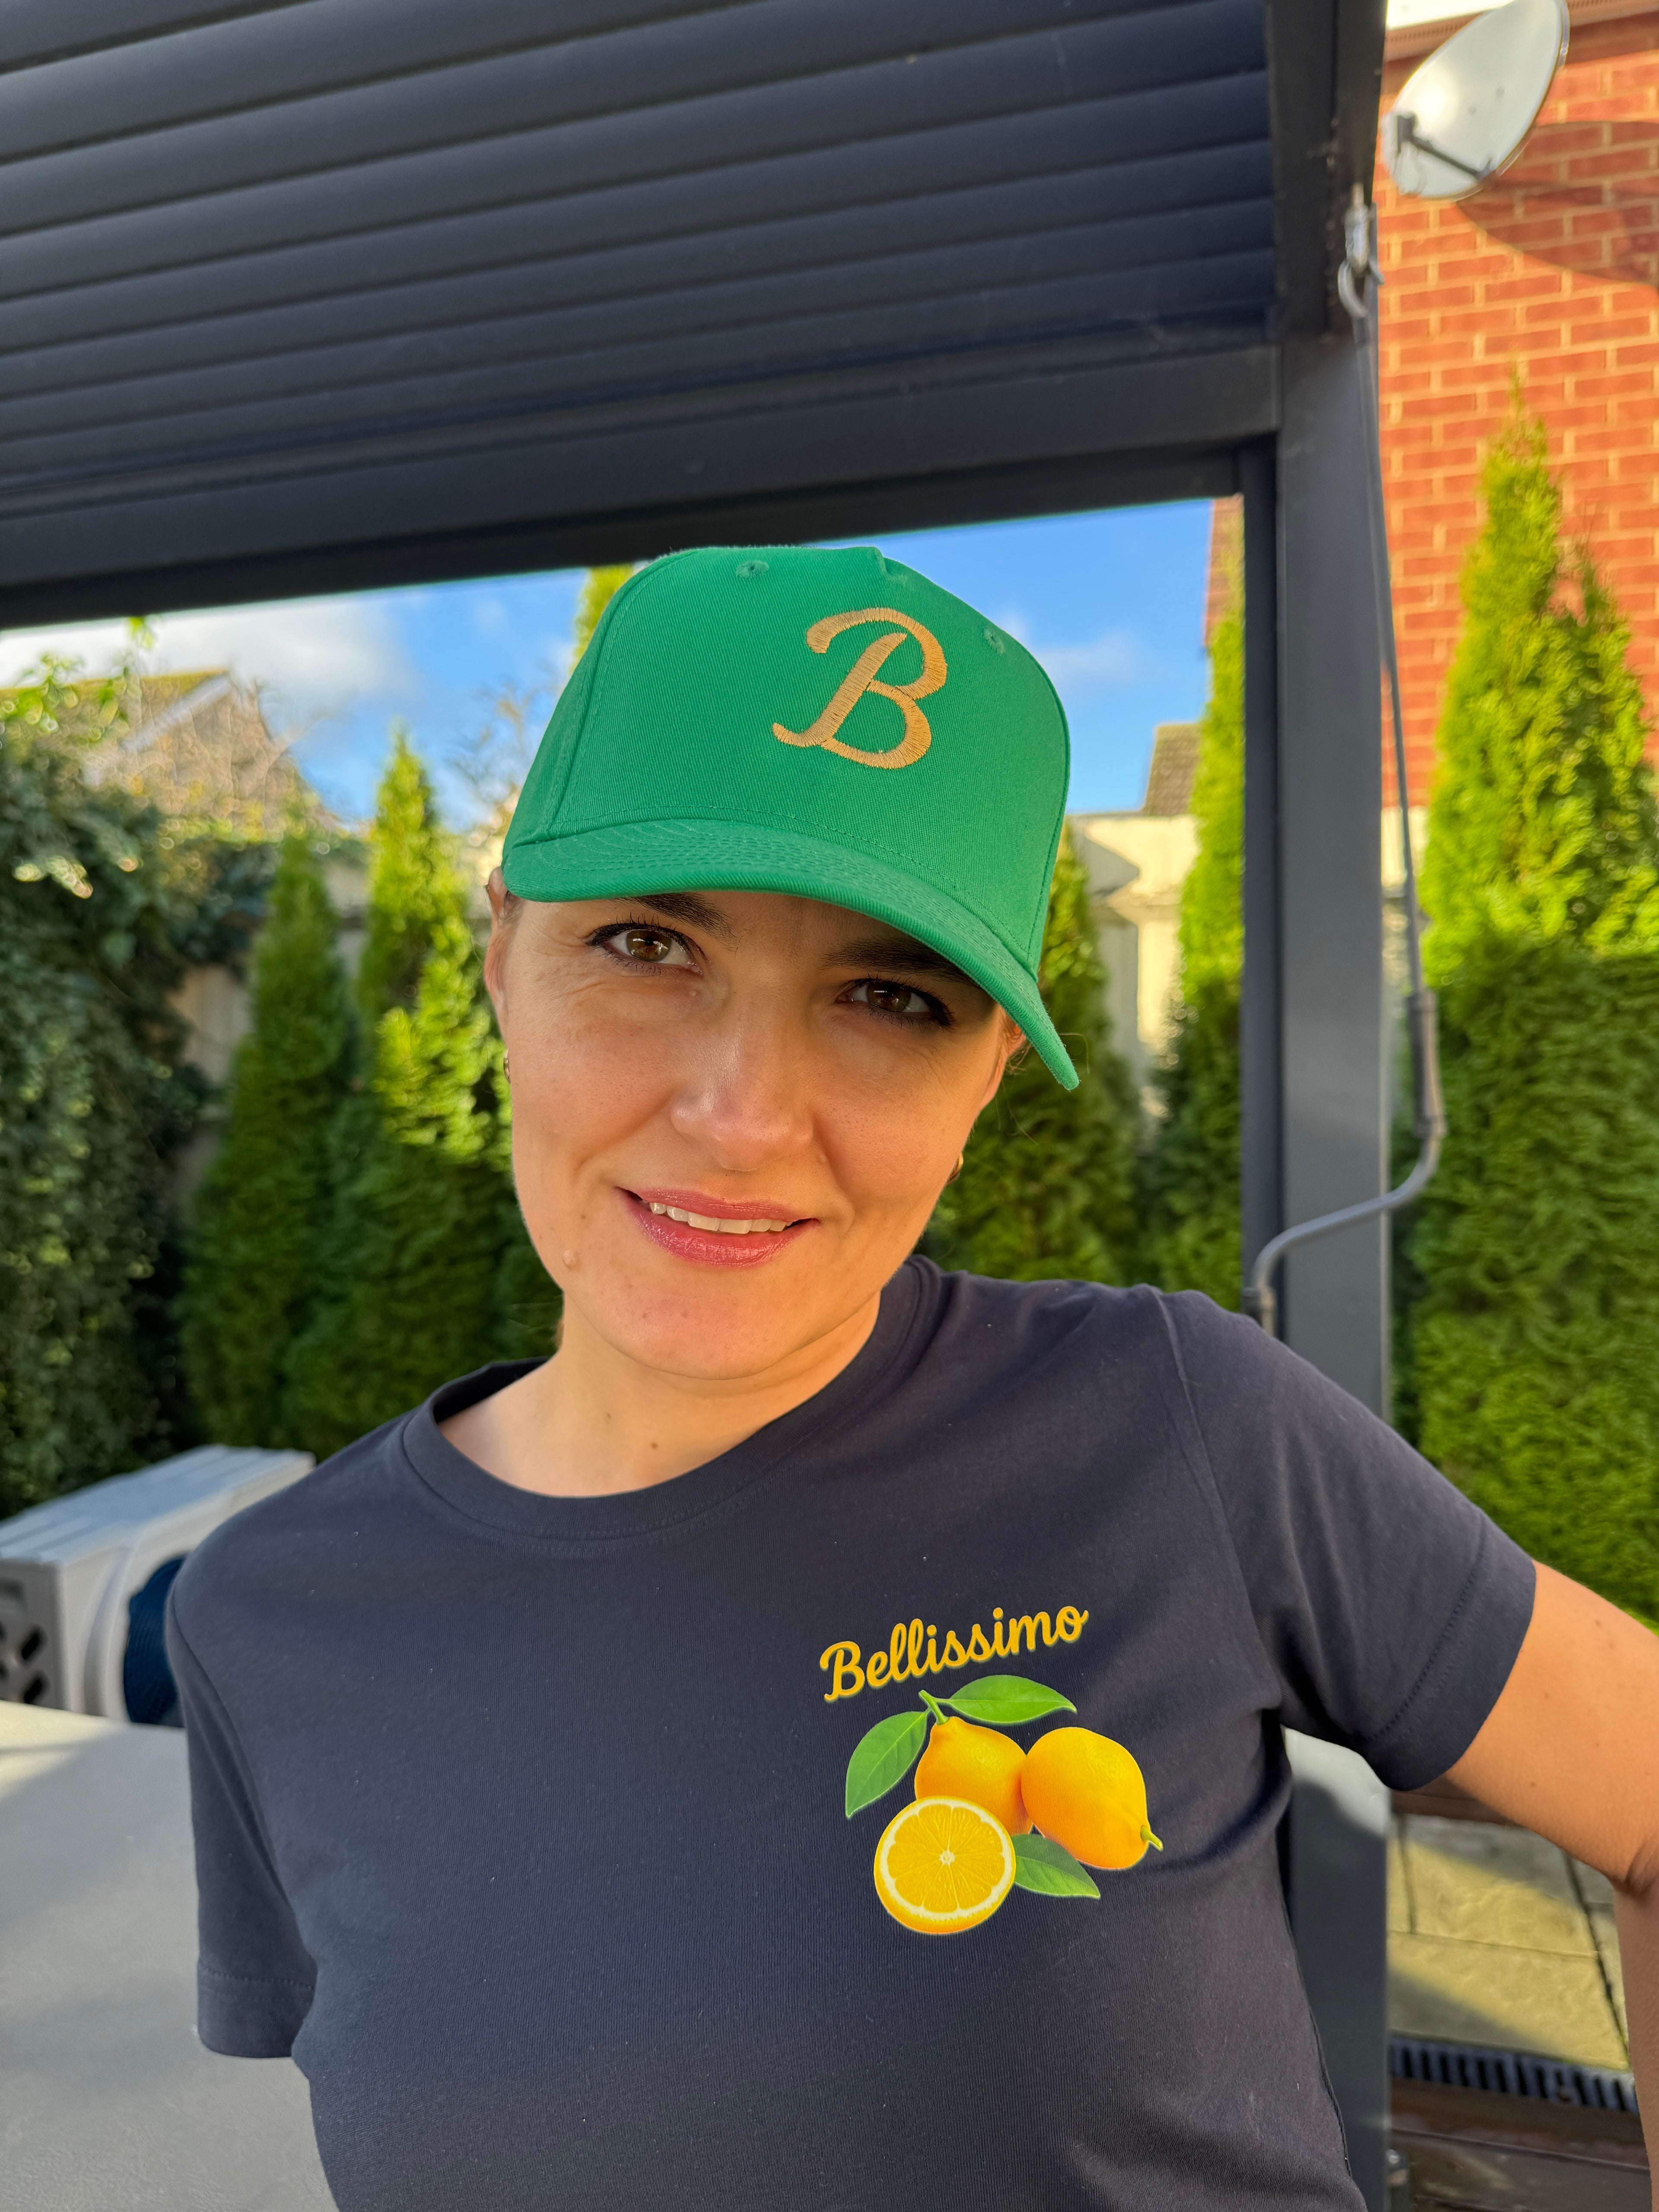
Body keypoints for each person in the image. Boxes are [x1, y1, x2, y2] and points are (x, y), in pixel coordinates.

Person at [166, 545, 1658, 2212]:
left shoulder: (1183, 1427)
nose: (743, 1116)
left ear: (990, 1071)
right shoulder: (266, 1615)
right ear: (503, 953)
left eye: (889, 995)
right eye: (650, 944)